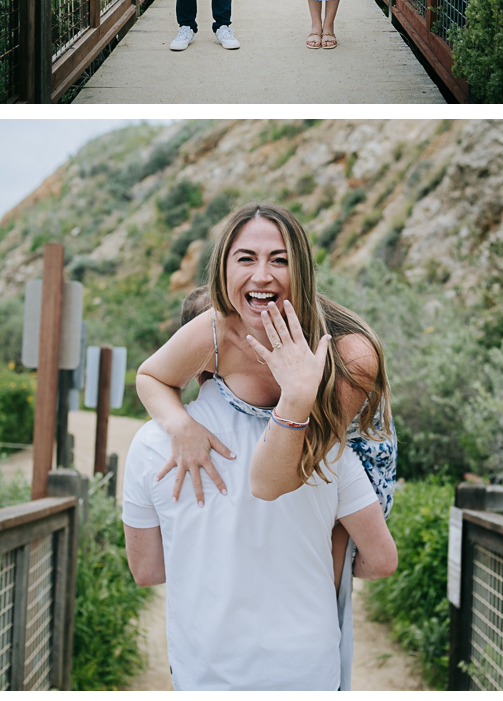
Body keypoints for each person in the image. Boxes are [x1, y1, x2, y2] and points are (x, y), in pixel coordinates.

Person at [124, 203, 398, 690]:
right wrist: (179, 424)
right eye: (245, 258)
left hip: (333, 437)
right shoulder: (216, 332)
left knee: (328, 558)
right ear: (222, 270)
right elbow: (150, 376)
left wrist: (296, 394)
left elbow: (271, 481)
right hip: (280, 432)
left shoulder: (348, 354)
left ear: (302, 269)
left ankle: (308, 640)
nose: (262, 275)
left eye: (279, 260)